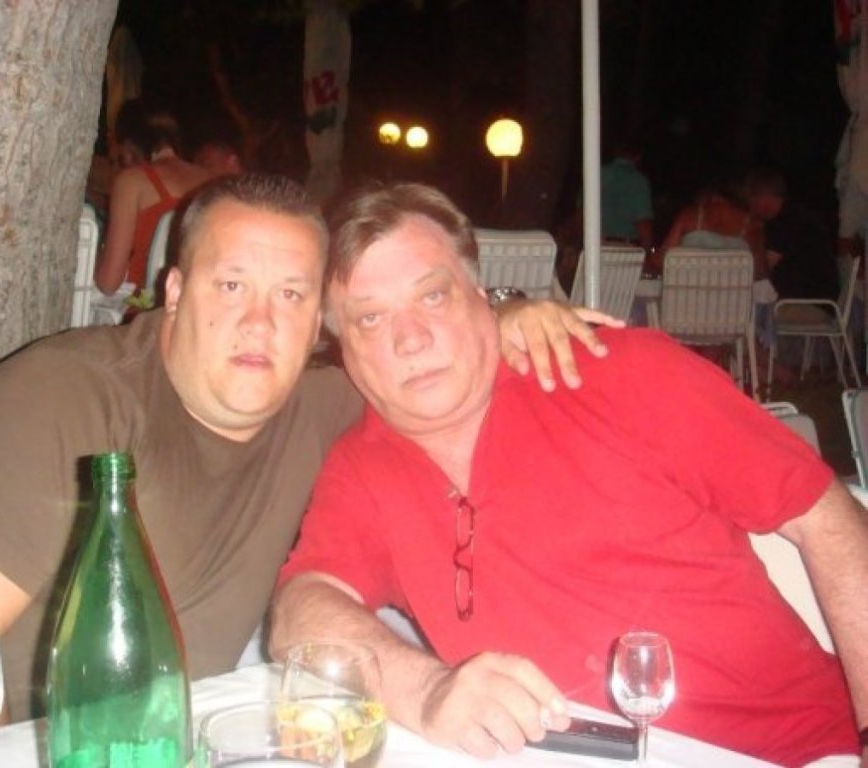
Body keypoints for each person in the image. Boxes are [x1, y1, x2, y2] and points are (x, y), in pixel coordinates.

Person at [0, 174, 616, 724]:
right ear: (175, 292)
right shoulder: (56, 405)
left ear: (318, 323)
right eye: (231, 286)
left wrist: (505, 314)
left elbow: (432, 363)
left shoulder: (323, 407)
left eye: (291, 295)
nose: (259, 324)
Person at [270, 182, 866, 767]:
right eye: (370, 318)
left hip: (791, 753)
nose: (410, 339)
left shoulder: (623, 374)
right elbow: (302, 608)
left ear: (480, 294)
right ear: (342, 347)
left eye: (433, 296)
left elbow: (827, 516)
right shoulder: (362, 465)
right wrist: (426, 691)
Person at [93, 105, 210, 295]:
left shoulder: (132, 181)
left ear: (128, 145)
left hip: (146, 304)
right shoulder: (211, 180)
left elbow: (108, 282)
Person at [746, 167, 840, 302]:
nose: (750, 207)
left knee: (747, 307)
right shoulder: (791, 213)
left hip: (807, 303)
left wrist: (754, 230)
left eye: (751, 199)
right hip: (806, 298)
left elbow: (761, 271)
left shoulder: (786, 221)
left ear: (763, 197)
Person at [651, 184, 770, 279]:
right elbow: (761, 272)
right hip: (734, 300)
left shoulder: (690, 215)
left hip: (687, 297)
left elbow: (661, 261)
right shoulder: (753, 225)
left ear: (712, 197)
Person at [600, 139, 654, 252]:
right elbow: (643, 223)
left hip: (596, 244)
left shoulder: (598, 174)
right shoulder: (638, 181)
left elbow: (581, 211)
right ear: (638, 156)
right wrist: (648, 251)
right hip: (625, 247)